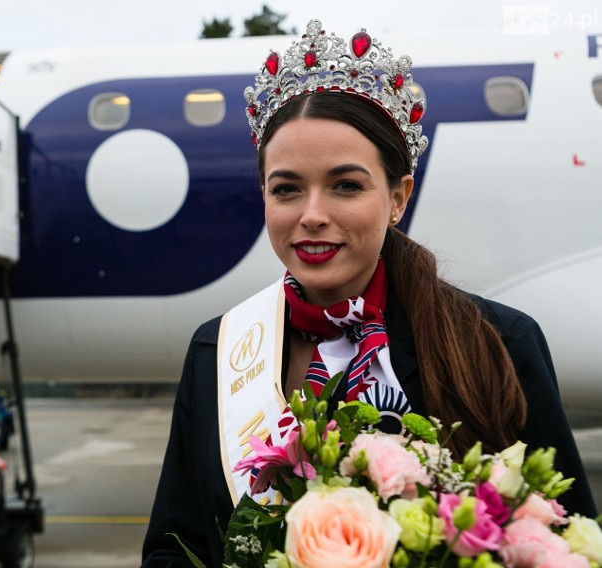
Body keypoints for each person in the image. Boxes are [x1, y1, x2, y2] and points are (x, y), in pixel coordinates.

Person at [141, 19, 598, 567]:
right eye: (286, 189)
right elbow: (174, 547)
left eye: (346, 186)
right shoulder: (218, 353)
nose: (312, 215)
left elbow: (567, 544)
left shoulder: (496, 341)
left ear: (398, 197)